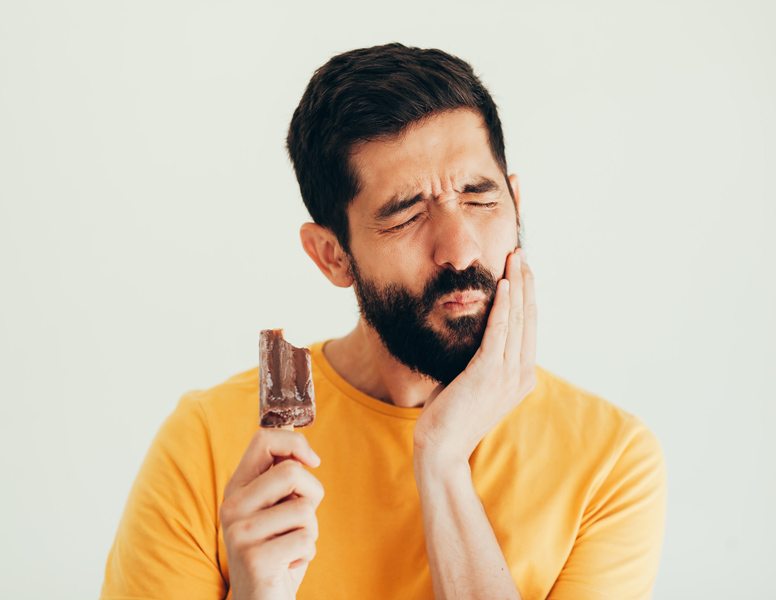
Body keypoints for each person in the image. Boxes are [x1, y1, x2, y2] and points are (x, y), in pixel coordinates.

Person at [101, 43, 666, 600]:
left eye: (480, 197)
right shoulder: (207, 444)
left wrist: (442, 459)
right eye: (406, 214)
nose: (460, 249)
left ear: (516, 202)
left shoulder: (609, 462)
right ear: (332, 256)